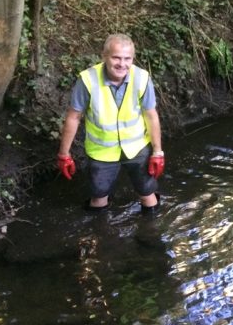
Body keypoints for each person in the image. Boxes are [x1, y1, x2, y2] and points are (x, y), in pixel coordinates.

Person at [57, 33, 165, 215]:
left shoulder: (142, 78)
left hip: (137, 147)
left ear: (132, 59)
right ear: (104, 56)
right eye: (116, 57)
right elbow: (73, 117)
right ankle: (100, 236)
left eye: (127, 58)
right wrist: (64, 154)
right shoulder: (87, 80)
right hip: (102, 151)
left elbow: (151, 115)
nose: (122, 64)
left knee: (147, 193)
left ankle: (150, 236)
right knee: (99, 196)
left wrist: (157, 152)